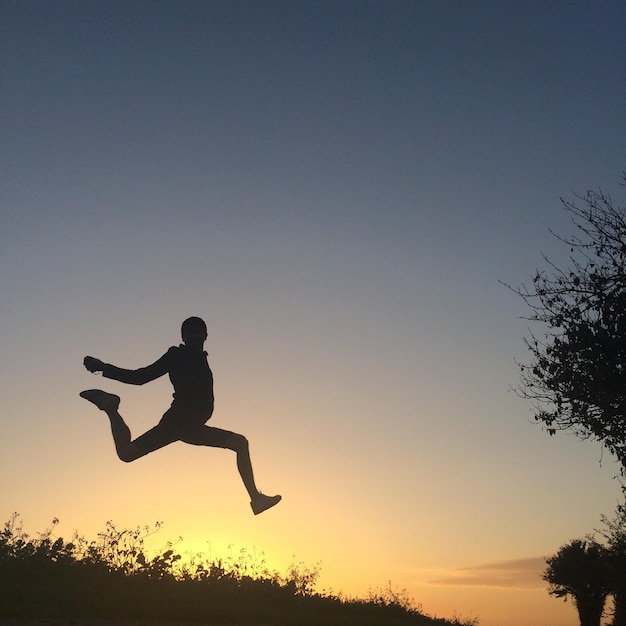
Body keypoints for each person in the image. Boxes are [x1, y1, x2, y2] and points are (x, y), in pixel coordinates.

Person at [80, 316, 281, 515]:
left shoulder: (201, 358)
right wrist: (103, 367)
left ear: (205, 336)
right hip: (178, 422)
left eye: (198, 332)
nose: (194, 336)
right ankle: (111, 408)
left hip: (193, 427)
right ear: (183, 337)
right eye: (189, 333)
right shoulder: (176, 355)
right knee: (126, 453)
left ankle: (256, 499)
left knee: (240, 443)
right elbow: (139, 377)